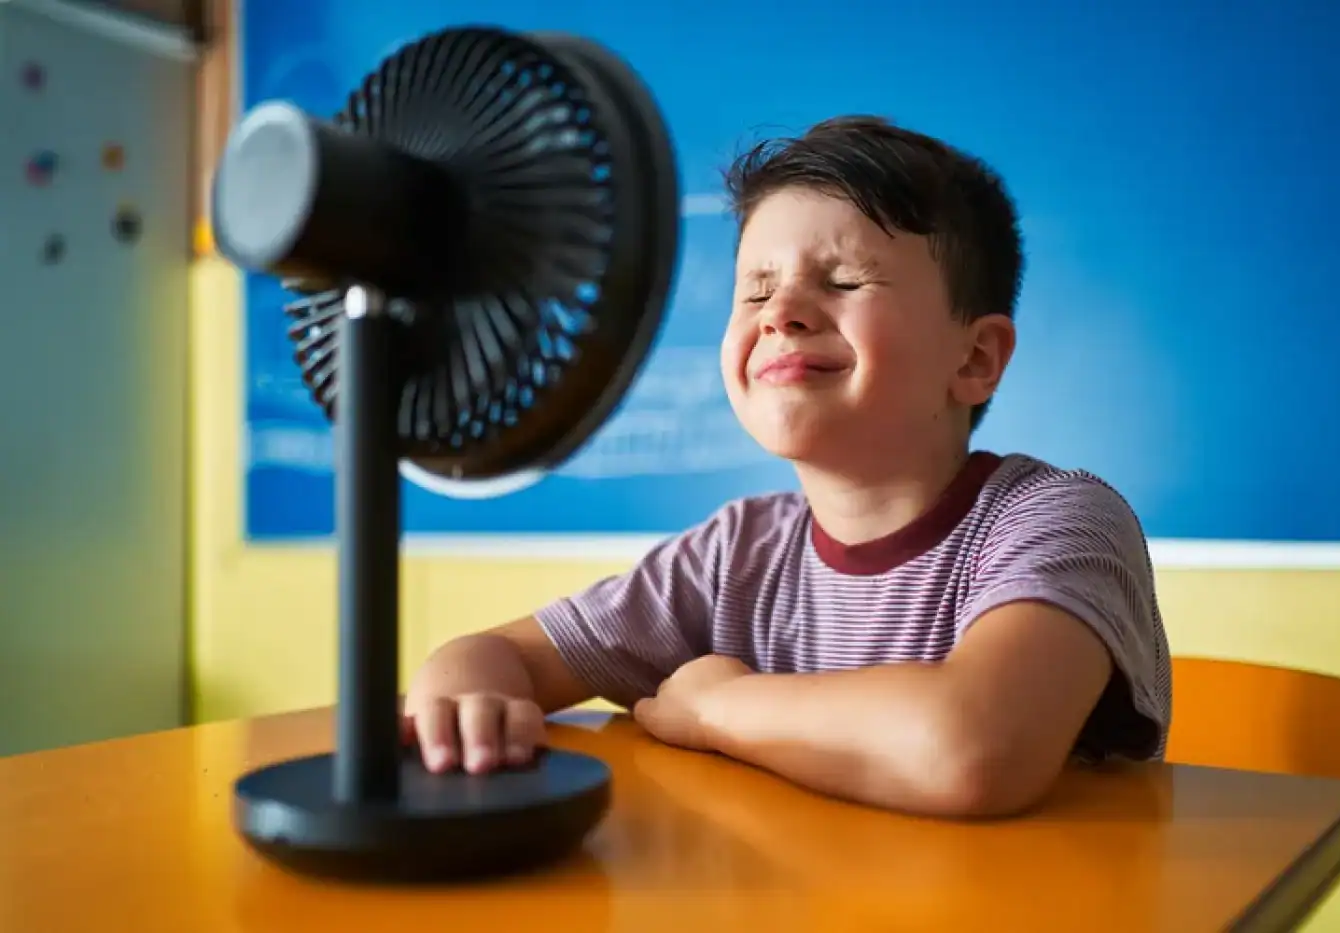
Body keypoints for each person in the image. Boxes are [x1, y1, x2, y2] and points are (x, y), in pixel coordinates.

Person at [402, 116, 1171, 818]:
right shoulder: (735, 553)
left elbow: (971, 748)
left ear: (974, 358)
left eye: (842, 281)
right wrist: (467, 696)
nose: (779, 312)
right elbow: (496, 655)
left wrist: (718, 706)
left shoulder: (1057, 520)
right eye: (756, 290)